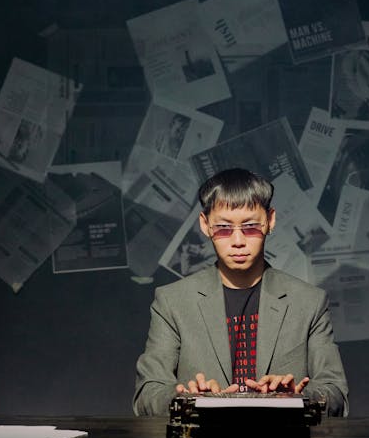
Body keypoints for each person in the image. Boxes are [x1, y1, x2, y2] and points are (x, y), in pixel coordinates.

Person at [133, 168, 349, 417]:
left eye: (250, 227)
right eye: (223, 228)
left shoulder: (309, 302)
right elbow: (147, 394)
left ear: (270, 221)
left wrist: (298, 399)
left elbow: (336, 394)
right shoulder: (172, 302)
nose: (237, 240)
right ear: (205, 225)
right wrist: (186, 399)